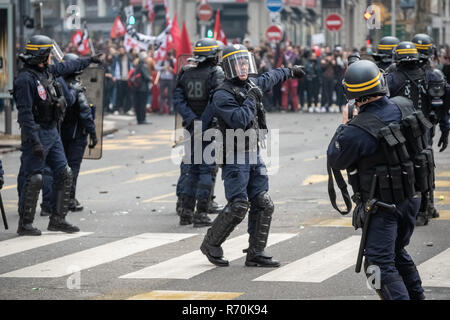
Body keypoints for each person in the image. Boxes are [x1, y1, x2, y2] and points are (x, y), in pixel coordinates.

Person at [327, 59, 426, 300]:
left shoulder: (357, 130)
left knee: (377, 266)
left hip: (382, 206)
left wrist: (344, 124)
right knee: (395, 252)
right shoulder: (405, 106)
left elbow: (336, 159)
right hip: (411, 196)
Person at [199, 44, 305, 267]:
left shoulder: (251, 84)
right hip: (234, 155)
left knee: (263, 202)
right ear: (229, 67)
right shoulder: (222, 94)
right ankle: (210, 243)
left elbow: (270, 77)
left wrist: (290, 71)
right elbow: (239, 119)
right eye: (239, 63)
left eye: (246, 62)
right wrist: (250, 98)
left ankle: (256, 252)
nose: (244, 66)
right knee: (238, 205)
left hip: (253, 152)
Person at [12, 35, 100, 236]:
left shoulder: (46, 72)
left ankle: (58, 219)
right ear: (41, 55)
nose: (52, 57)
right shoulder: (25, 80)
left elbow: (66, 67)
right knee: (34, 177)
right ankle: (25, 224)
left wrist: (90, 60)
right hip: (37, 132)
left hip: (52, 130)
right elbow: (25, 113)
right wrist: (33, 141)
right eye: (49, 53)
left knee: (64, 172)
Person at [387, 40, 449, 226]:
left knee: (398, 168)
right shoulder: (431, 75)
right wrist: (444, 130)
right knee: (424, 166)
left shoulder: (390, 78)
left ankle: (402, 207)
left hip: (396, 131)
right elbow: (443, 106)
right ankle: (425, 207)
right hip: (423, 130)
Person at [173, 38, 224, 227]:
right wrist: (202, 123)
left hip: (190, 129)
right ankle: (201, 213)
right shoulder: (216, 73)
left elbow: (178, 100)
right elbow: (215, 101)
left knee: (190, 170)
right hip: (209, 129)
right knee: (206, 171)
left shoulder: (185, 72)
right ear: (212, 56)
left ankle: (185, 213)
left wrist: (191, 121)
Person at [132, 51, 152, 124]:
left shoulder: (137, 65)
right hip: (143, 88)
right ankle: (142, 119)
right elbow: (147, 77)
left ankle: (139, 119)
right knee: (142, 104)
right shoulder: (144, 66)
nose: (147, 59)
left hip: (137, 87)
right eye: (146, 57)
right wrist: (150, 78)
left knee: (138, 104)